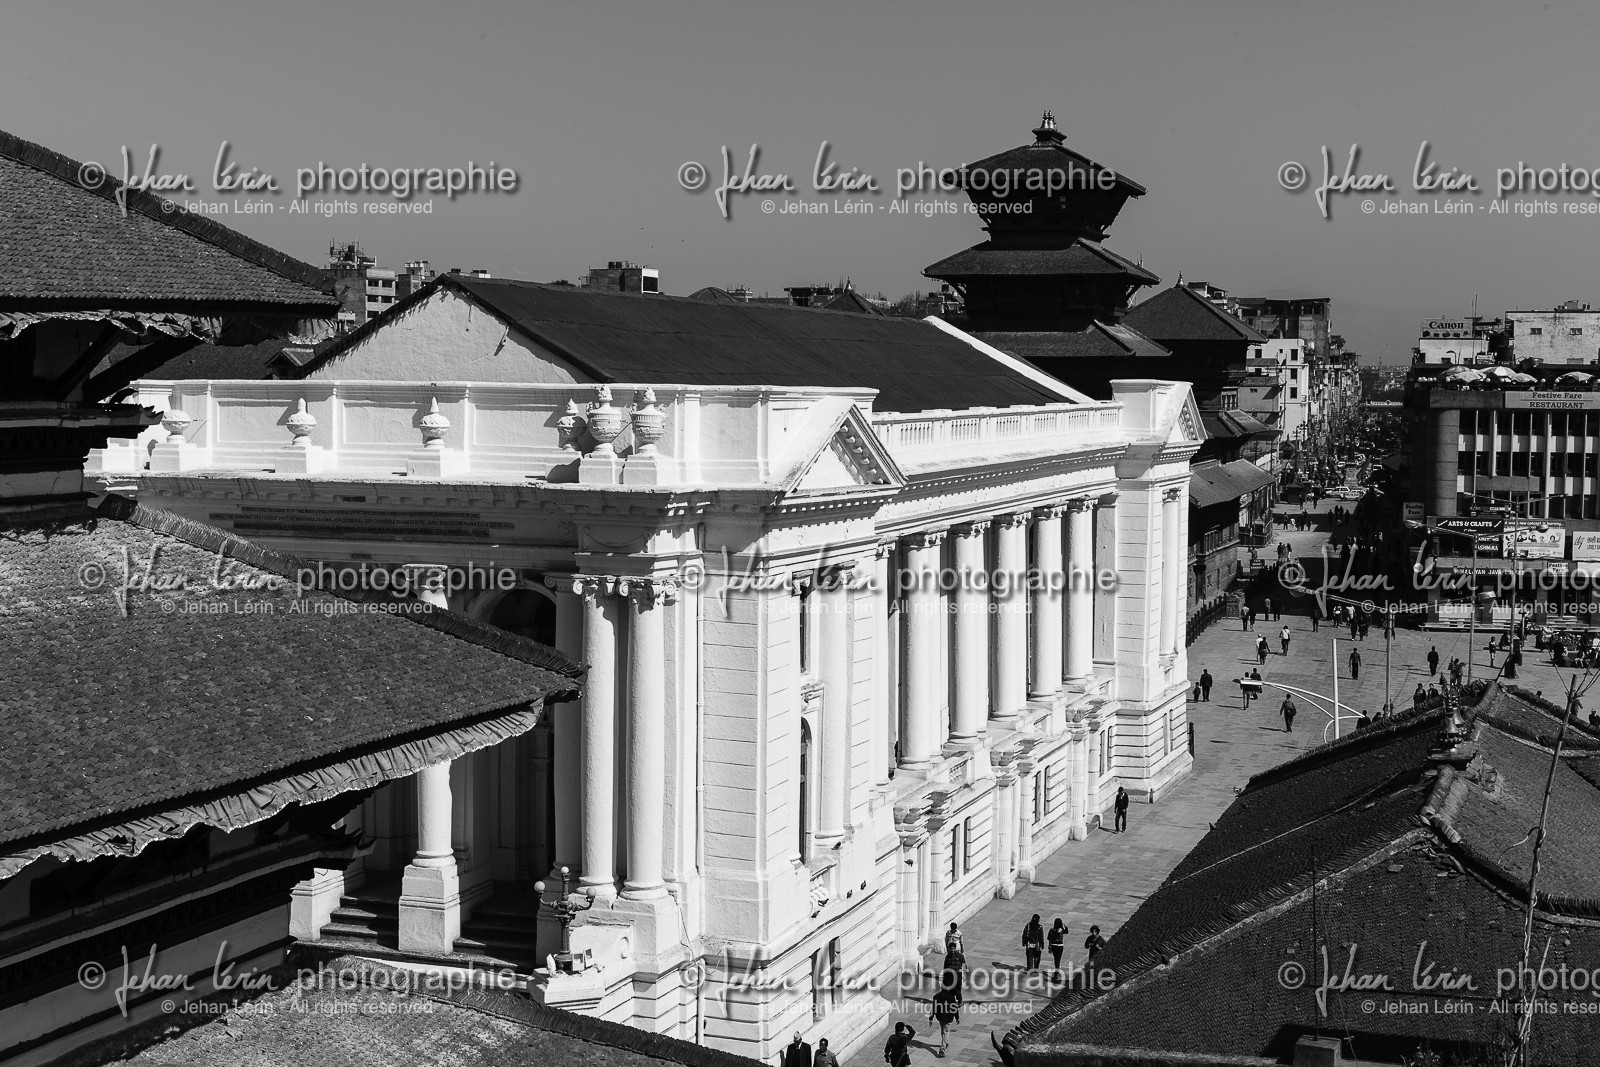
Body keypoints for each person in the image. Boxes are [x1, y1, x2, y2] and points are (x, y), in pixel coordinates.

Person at [928, 970, 961, 1057]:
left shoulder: (936, 996)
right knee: (945, 1031)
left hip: (940, 1017)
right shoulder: (951, 997)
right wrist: (957, 1018)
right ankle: (942, 1048)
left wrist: (930, 1018)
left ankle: (945, 1042)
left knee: (943, 1030)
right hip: (949, 1017)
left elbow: (933, 1008)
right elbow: (954, 1009)